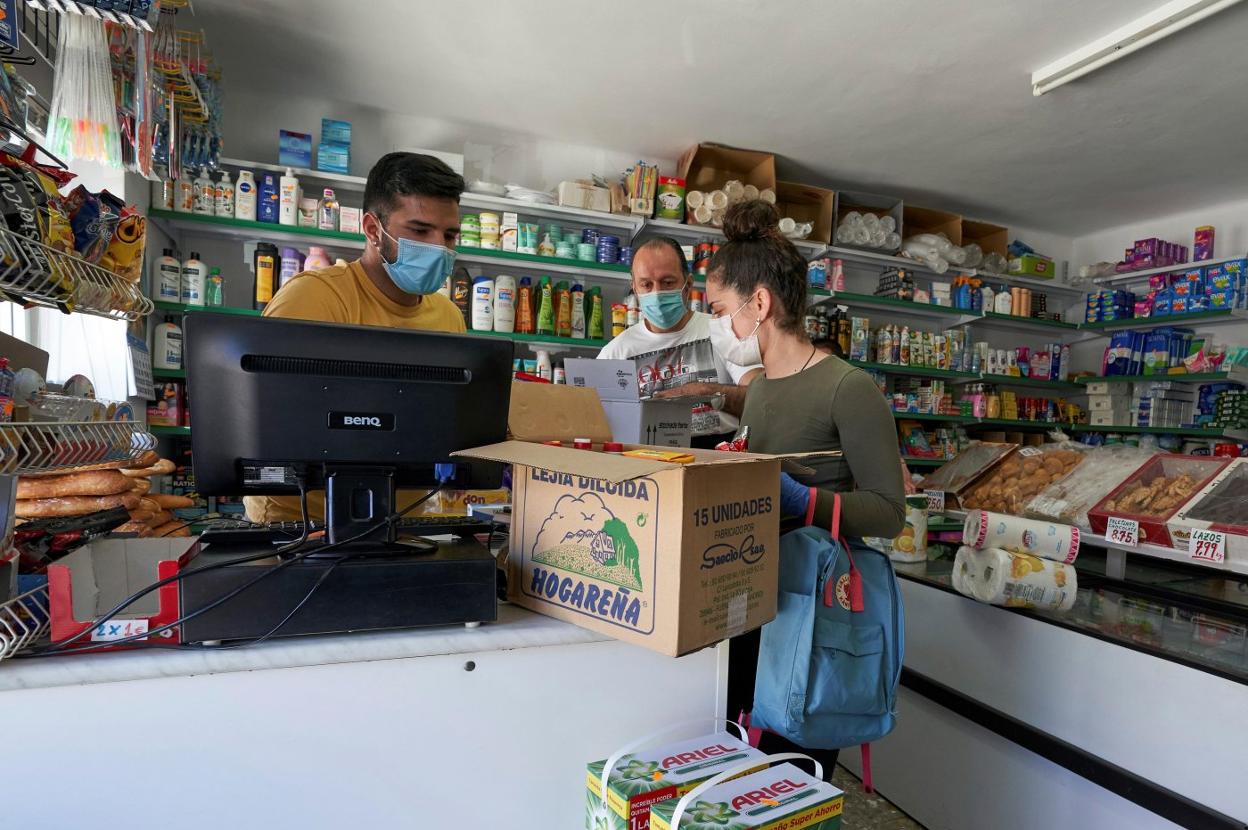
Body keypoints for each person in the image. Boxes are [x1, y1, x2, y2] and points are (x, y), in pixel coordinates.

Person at [704, 199, 906, 777]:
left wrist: (802, 500)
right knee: (737, 762)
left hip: (816, 617)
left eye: (721, 311)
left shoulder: (849, 388)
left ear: (759, 303)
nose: (721, 327)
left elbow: (890, 512)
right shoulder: (763, 390)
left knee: (792, 775)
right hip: (753, 602)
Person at [244, 152, 468, 524]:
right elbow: (266, 420)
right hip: (301, 526)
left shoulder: (448, 317)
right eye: (419, 230)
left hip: (403, 523)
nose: (439, 247)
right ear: (371, 228)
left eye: (449, 235)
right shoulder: (312, 299)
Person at [597, 237, 760, 439]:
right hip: (646, 460)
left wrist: (706, 392)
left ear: (688, 283)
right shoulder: (614, 353)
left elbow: (762, 399)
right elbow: (597, 426)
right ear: (635, 288)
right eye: (646, 284)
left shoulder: (725, 330)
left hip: (718, 457)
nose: (656, 293)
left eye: (667, 282)